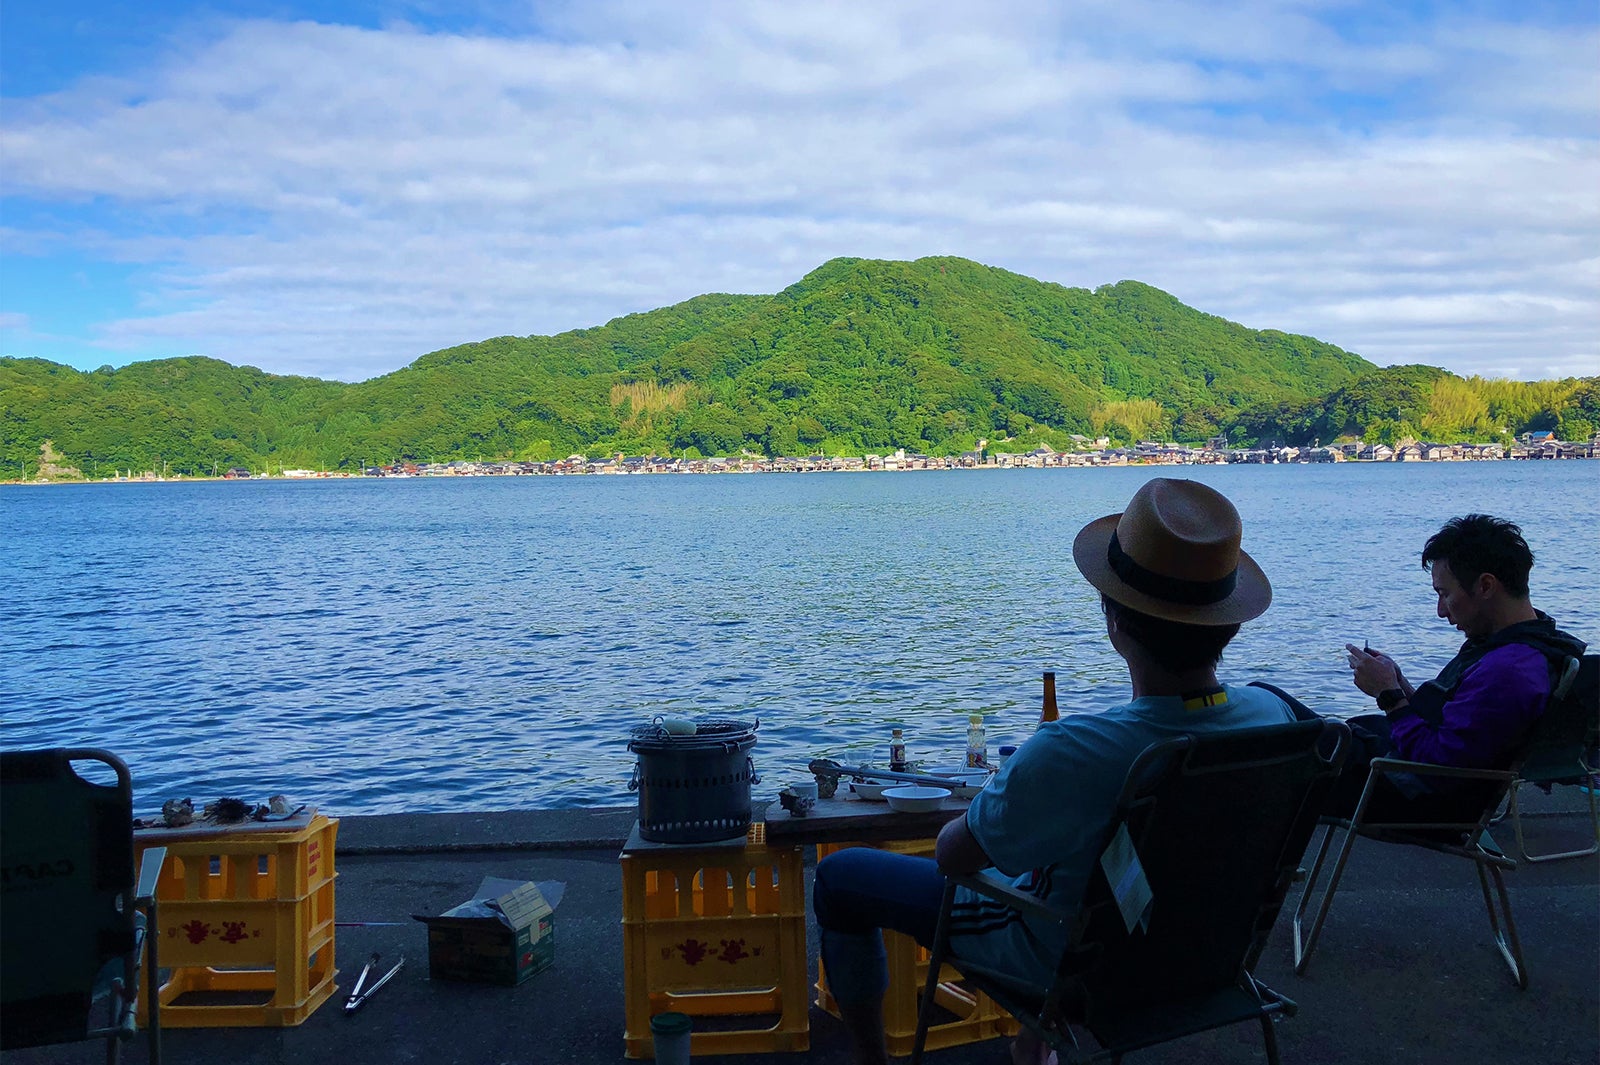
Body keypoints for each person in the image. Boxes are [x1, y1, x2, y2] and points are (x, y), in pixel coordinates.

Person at [811, 478, 1297, 1065]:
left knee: (841, 878)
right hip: (1204, 956)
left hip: (1076, 966)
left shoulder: (1074, 751)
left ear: (1114, 621)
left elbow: (955, 857)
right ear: (1230, 623)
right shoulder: (1276, 716)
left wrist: (1006, 794)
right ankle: (1032, 1046)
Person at [1335, 513, 1587, 820]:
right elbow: (1457, 729)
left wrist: (1389, 697)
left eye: (1444, 594)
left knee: (1283, 739)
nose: (1441, 611)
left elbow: (1438, 766)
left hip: (1411, 795)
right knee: (1288, 718)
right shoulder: (1524, 648)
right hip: (1412, 775)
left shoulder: (1508, 671)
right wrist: (1400, 687)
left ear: (1484, 586)